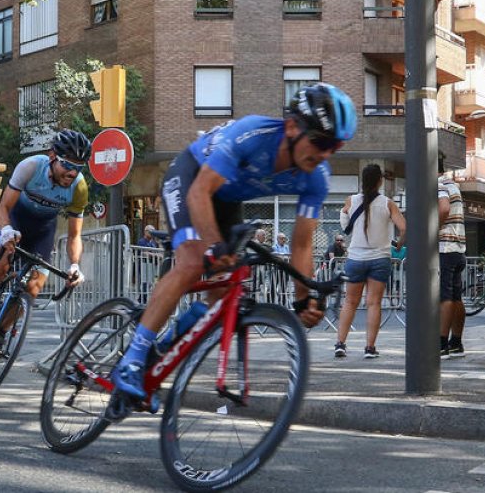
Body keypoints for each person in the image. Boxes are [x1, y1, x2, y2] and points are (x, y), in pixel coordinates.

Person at [111, 83, 357, 399]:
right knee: (192, 261)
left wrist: (303, 300)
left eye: (334, 147)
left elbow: (302, 244)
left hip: (227, 202)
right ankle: (132, 358)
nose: (324, 154)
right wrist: (214, 247)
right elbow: (199, 193)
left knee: (223, 291)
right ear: (293, 126)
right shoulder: (252, 134)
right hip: (192, 178)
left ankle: (160, 353)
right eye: (320, 141)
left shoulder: (316, 176)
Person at [0, 129, 88, 357]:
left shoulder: (79, 188)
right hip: (13, 219)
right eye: (67, 165)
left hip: (42, 232)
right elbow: (3, 208)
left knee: (34, 287)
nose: (72, 173)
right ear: (52, 156)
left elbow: (74, 235)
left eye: (79, 168)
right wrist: (5, 230)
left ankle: (0, 332)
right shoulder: (31, 166)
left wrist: (75, 265)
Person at [333, 164, 405, 359]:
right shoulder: (388, 203)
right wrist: (398, 246)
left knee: (350, 302)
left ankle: (340, 344)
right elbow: (404, 228)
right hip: (380, 259)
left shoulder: (351, 200)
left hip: (355, 258)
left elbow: (344, 223)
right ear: (380, 181)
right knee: (374, 304)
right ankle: (369, 348)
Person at [438, 154, 467, 358]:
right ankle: (456, 342)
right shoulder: (453, 184)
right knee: (456, 297)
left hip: (444, 247)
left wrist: (432, 229)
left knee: (445, 297)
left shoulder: (438, 184)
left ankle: (441, 344)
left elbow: (444, 208)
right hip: (457, 248)